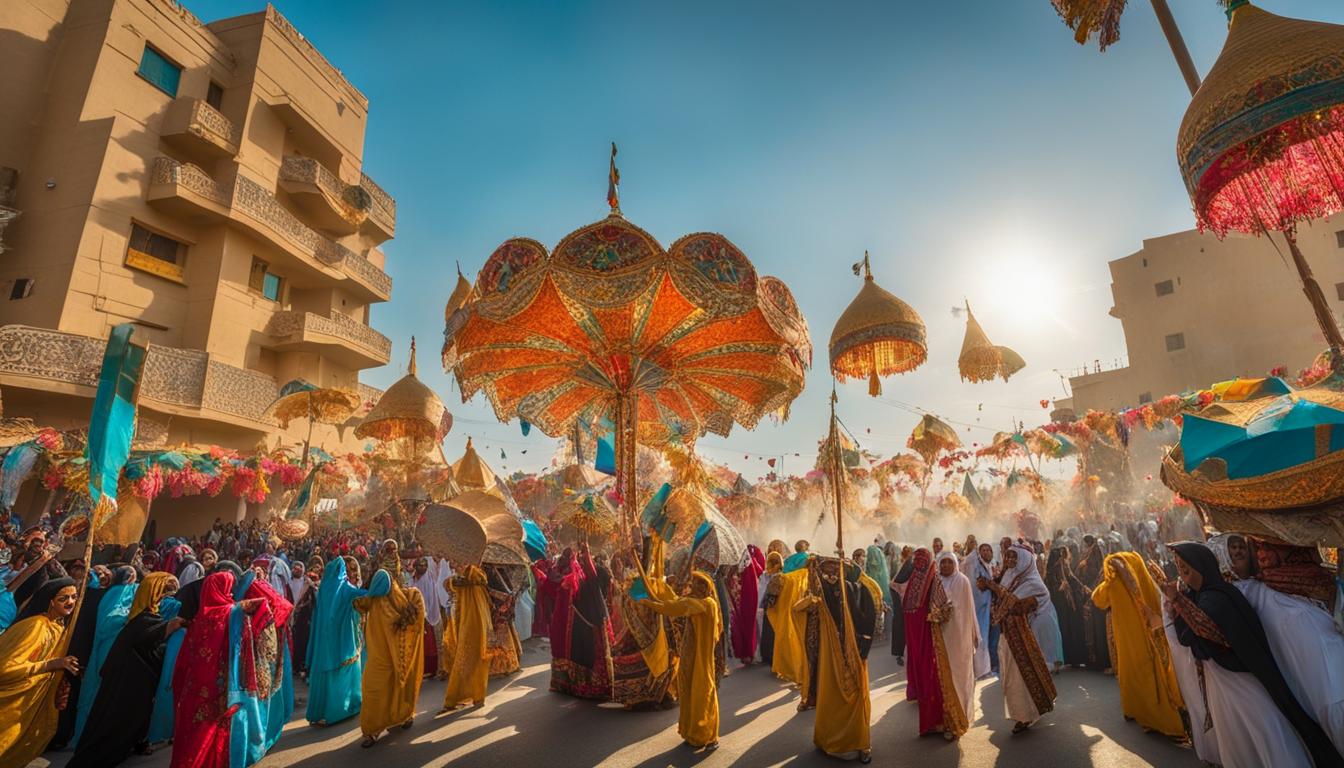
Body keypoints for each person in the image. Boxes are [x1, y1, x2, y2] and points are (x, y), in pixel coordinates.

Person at [1163, 542, 1343, 768]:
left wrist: (1178, 602)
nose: (1182, 574)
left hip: (1244, 682)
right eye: (1179, 568)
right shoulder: (1211, 594)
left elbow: (1206, 629)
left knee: (1266, 738)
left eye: (1187, 568)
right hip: (1226, 683)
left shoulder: (1219, 598)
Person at [68, 572, 183, 768]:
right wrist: (173, 626)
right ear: (152, 593)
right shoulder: (144, 620)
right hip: (127, 687)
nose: (167, 597)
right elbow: (152, 638)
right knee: (113, 728)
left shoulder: (144, 618)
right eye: (164, 592)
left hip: (130, 684)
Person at [169, 571, 265, 768]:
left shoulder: (200, 617)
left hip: (197, 682)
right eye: (228, 588)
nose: (231, 592)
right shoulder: (230, 612)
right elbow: (263, 605)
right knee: (216, 723)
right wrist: (254, 580)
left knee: (197, 725)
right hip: (221, 682)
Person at [1089, 551, 1185, 737]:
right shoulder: (1145, 579)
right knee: (1155, 675)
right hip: (1152, 637)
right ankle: (1162, 716)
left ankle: (1143, 715)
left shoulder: (1113, 584)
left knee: (1133, 674)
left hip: (1128, 641)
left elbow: (1097, 600)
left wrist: (1108, 580)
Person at [0, 577, 79, 766]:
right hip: (10, 704)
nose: (70, 602)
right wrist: (51, 665)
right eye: (63, 598)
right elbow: (4, 669)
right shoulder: (36, 626)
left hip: (29, 704)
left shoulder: (57, 625)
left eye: (74, 597)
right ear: (51, 602)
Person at [978, 545, 1057, 733]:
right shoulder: (1009, 577)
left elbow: (1016, 606)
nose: (1011, 561)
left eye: (1015, 558)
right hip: (1007, 635)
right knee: (1009, 678)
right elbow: (1001, 599)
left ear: (1025, 560)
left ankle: (1024, 717)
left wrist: (992, 585)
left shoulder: (1034, 584)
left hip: (1022, 638)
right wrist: (992, 586)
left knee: (1019, 679)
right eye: (1009, 557)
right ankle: (1025, 713)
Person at [642, 569, 721, 749]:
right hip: (693, 654)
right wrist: (657, 588)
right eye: (693, 584)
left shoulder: (704, 604)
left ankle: (708, 735)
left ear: (704, 588)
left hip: (701, 657)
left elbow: (674, 606)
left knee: (702, 693)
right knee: (689, 690)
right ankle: (691, 731)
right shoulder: (704, 602)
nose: (692, 587)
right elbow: (677, 602)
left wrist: (650, 602)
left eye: (697, 585)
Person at [805, 558, 873, 762]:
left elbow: (867, 618)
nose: (832, 574)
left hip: (852, 651)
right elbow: (806, 620)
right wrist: (810, 607)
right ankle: (830, 739)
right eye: (827, 571)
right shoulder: (817, 593)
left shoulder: (856, 590)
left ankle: (857, 742)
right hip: (827, 655)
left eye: (836, 569)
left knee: (854, 693)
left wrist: (861, 646)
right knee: (831, 694)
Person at [355, 568, 421, 747]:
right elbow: (359, 604)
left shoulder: (397, 598)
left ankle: (403, 717)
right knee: (373, 691)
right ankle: (371, 731)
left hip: (394, 658)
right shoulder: (372, 599)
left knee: (396, 690)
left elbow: (410, 618)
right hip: (378, 658)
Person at [73, 564, 138, 744]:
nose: (131, 578)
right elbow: (106, 623)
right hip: (99, 648)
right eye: (98, 573)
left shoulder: (128, 591)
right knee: (95, 692)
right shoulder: (106, 593)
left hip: (110, 648)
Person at [542, 544, 614, 699]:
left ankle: (587, 682)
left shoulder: (580, 577)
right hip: (581, 621)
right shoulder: (570, 578)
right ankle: (586, 683)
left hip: (586, 620)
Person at [306, 556, 369, 726]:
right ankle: (340, 711)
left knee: (325, 674)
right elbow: (364, 595)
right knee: (343, 671)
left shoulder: (325, 587)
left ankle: (318, 712)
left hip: (323, 641)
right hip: (343, 639)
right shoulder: (344, 588)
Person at [935, 551, 979, 738]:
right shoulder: (935, 582)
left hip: (959, 637)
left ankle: (960, 718)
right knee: (944, 676)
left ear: (955, 564)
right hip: (941, 636)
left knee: (960, 676)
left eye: (948, 562)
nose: (945, 566)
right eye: (942, 562)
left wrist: (972, 634)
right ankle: (947, 719)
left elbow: (968, 609)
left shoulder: (962, 581)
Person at [443, 563, 490, 710]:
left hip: (474, 622)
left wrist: (456, 579)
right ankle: (472, 695)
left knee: (472, 657)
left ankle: (471, 696)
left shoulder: (474, 574)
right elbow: (449, 586)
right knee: (467, 658)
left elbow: (473, 581)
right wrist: (454, 579)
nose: (456, 565)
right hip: (464, 620)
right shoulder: (463, 577)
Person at [902, 547, 937, 715]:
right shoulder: (914, 576)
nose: (919, 563)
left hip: (926, 624)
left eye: (922, 560)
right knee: (915, 656)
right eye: (916, 560)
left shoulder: (933, 577)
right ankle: (916, 689)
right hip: (912, 626)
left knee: (926, 657)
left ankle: (927, 691)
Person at [1076, 534, 1112, 671]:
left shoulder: (1093, 557)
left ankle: (1101, 659)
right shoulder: (1093, 555)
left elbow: (1090, 573)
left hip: (1095, 596)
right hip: (1093, 594)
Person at [1047, 546, 1087, 668]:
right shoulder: (1051, 573)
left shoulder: (1065, 567)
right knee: (1064, 630)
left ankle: (1075, 658)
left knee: (1072, 629)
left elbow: (1073, 580)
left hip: (1069, 606)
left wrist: (1083, 587)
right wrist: (1060, 588)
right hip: (1060, 607)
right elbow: (1050, 590)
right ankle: (1066, 658)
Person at [409, 556, 447, 677]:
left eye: (425, 565)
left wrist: (426, 615)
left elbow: (430, 599)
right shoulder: (412, 579)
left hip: (431, 615)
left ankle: (441, 668)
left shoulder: (429, 579)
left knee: (438, 643)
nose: (423, 568)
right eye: (420, 565)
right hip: (417, 615)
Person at [484, 564, 523, 676]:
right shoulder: (496, 569)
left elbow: (497, 590)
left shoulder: (490, 570)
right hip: (500, 606)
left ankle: (503, 664)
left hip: (498, 608)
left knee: (499, 638)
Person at [733, 545, 764, 665]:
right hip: (744, 598)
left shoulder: (746, 562)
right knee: (747, 625)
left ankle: (748, 653)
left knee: (746, 625)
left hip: (743, 598)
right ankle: (747, 653)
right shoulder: (748, 562)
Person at [889, 545, 913, 666]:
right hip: (902, 600)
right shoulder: (909, 564)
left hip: (902, 599)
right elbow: (897, 582)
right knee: (901, 625)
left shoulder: (909, 563)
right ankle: (900, 653)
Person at [758, 550, 782, 665]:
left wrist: (760, 604)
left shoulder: (764, 575)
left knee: (767, 630)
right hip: (778, 605)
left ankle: (766, 655)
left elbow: (761, 591)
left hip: (767, 604)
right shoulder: (780, 576)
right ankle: (774, 656)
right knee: (775, 631)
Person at [863, 544, 890, 642]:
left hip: (878, 593)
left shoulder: (877, 568)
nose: (873, 559)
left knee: (880, 611)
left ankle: (881, 633)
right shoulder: (870, 568)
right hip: (872, 593)